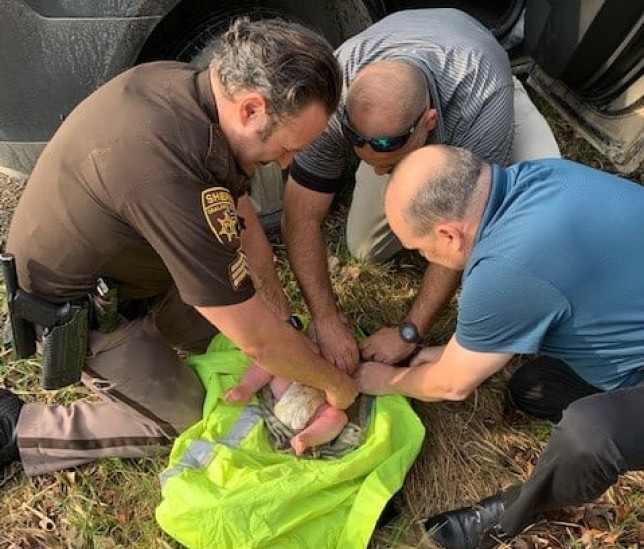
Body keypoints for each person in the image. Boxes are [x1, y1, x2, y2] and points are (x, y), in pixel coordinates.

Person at [0, 18, 358, 477]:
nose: (287, 163)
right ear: (251, 108)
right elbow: (256, 337)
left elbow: (243, 221)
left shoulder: (200, 93)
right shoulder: (169, 169)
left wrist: (281, 321)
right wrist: (334, 386)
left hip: (145, 265)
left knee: (258, 345)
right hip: (81, 307)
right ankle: (19, 428)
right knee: (181, 420)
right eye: (288, 147)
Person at [356, 145, 644, 548]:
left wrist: (387, 380)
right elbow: (543, 287)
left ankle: (517, 511)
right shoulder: (541, 176)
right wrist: (450, 353)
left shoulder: (504, 271)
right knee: (532, 389)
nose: (423, 257)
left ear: (448, 234)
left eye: (420, 249)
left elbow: (450, 386)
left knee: (589, 433)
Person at [282, 8, 561, 374]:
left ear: (427, 124)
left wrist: (409, 332)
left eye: (389, 164)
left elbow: (459, 234)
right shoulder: (336, 92)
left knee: (541, 219)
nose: (381, 172)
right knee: (365, 247)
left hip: (486, 88)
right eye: (369, 162)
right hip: (417, 91)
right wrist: (325, 318)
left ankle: (518, 99)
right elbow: (300, 215)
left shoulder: (480, 103)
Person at [224, 363, 348, 456]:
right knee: (270, 363)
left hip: (319, 403)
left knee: (337, 417)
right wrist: (246, 386)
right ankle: (246, 388)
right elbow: (265, 361)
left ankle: (307, 437)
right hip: (287, 391)